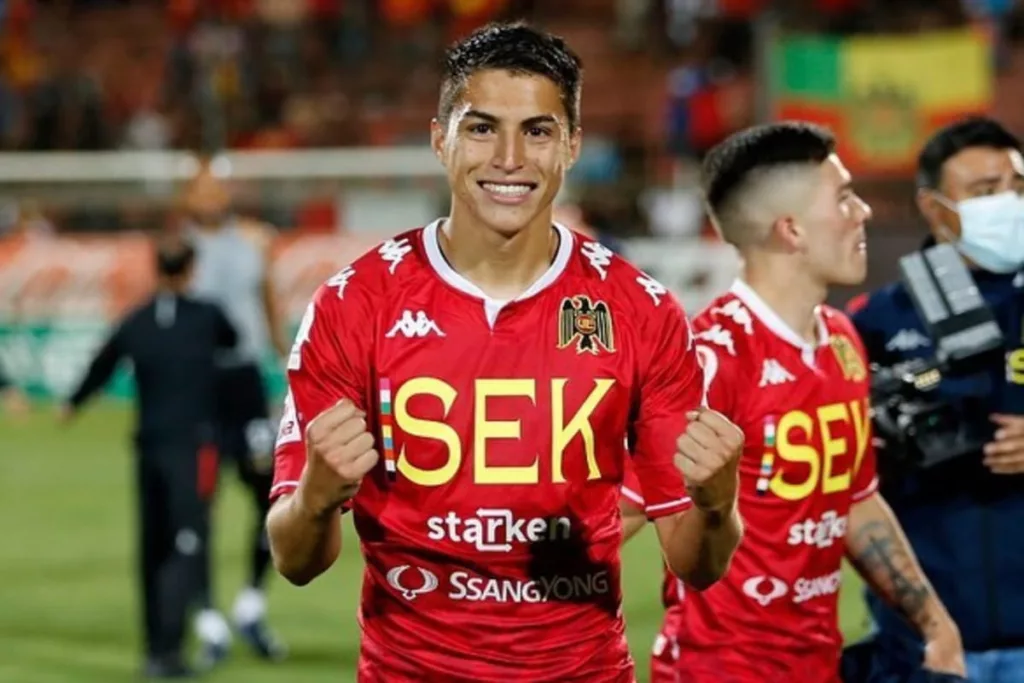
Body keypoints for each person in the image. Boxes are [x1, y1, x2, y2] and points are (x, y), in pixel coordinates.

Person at [267, 21, 745, 682]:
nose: (510, 157)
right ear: (441, 140)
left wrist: (718, 505)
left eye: (538, 131)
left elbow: (697, 561)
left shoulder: (643, 310)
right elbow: (294, 559)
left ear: (571, 145)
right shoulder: (354, 304)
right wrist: (316, 495)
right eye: (482, 127)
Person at [621, 122, 967, 683]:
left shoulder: (841, 339)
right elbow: (613, 515)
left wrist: (933, 620)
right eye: (844, 198)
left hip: (818, 664)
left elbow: (855, 499)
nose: (864, 213)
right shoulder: (709, 360)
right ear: (791, 230)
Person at [847, 116, 1024, 683]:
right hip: (929, 645)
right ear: (934, 207)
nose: (1009, 203)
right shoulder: (878, 320)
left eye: (1017, 187)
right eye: (984, 191)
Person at [60, 235, 237, 679]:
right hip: (194, 447)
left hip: (149, 447)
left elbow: (103, 362)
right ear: (191, 268)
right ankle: (173, 651)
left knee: (152, 547)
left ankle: (154, 648)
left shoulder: (137, 320)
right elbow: (235, 353)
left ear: (156, 269)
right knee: (187, 543)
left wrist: (74, 402)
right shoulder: (208, 317)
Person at [180, 155, 289, 664]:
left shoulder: (255, 241)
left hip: (247, 384)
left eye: (216, 188)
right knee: (196, 511)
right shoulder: (177, 250)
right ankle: (209, 623)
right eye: (200, 189)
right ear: (188, 197)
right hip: (199, 388)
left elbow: (268, 306)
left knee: (271, 499)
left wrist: (284, 365)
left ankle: (249, 605)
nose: (210, 197)